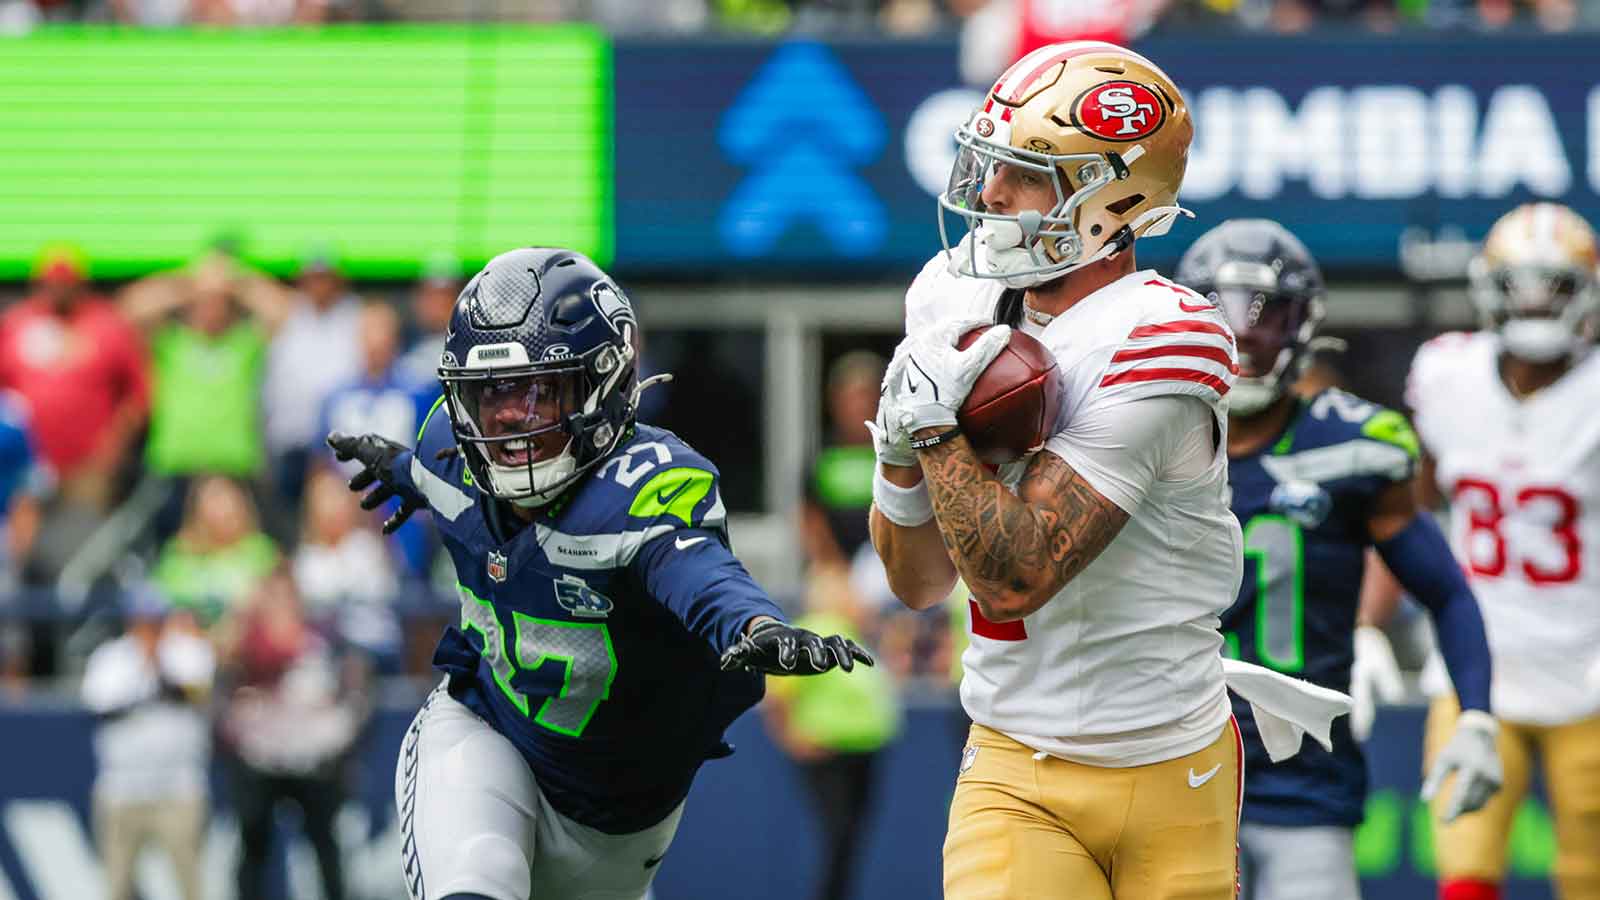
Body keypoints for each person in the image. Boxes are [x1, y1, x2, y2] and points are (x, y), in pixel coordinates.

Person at [870, 41, 1347, 899]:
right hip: (1013, 762)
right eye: (991, 167)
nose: (989, 195)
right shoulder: (949, 295)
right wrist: (899, 454)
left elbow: (1016, 577)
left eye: (1024, 174)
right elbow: (915, 584)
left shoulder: (1166, 335)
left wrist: (938, 432)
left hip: (1173, 764)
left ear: (1107, 199)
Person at [326, 247, 873, 900]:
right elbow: (436, 478)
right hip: (485, 730)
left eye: (539, 391)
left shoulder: (641, 488)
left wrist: (754, 622)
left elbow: (699, 571)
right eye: (491, 395)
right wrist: (401, 471)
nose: (509, 423)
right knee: (478, 879)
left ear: (606, 383)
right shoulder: (448, 449)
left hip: (618, 827)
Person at [1176, 219, 1501, 900]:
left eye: (1268, 316)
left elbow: (1447, 592)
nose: (1245, 335)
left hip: (1305, 776)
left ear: (1304, 326)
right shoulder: (1147, 435)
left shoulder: (1356, 444)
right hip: (1168, 764)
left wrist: (1474, 713)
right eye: (1224, 312)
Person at [1404, 201, 1600, 900]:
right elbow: (1405, 512)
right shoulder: (1447, 374)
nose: (1537, 303)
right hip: (1474, 668)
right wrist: (1371, 627)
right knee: (1464, 872)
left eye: (1555, 287)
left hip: (1590, 674)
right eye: (1522, 285)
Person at [81, 588, 214, 900]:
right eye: (142, 621)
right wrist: (143, 670)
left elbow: (195, 691)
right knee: (117, 884)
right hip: (122, 788)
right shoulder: (110, 658)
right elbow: (101, 705)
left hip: (178, 786)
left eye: (155, 620)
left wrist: (158, 665)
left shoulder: (189, 651)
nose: (149, 628)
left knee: (189, 883)